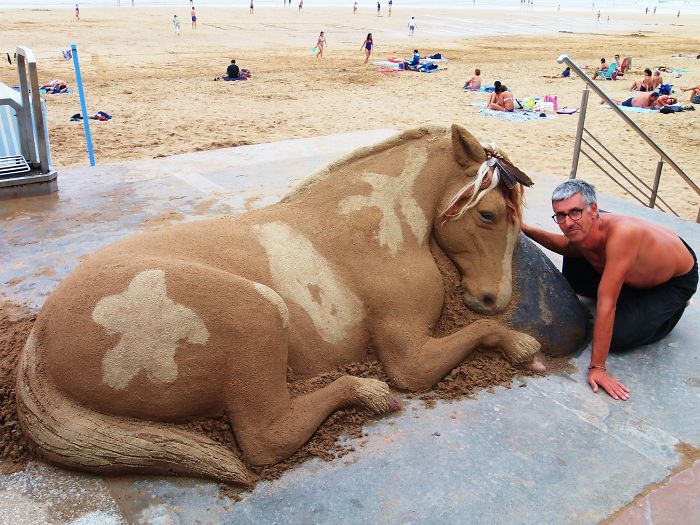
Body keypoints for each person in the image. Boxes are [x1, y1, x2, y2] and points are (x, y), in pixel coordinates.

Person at [521, 180, 697, 401]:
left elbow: (607, 303)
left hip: (672, 281)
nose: (567, 222)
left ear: (594, 209)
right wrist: (526, 229)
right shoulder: (582, 225)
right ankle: (623, 284)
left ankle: (676, 306)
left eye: (575, 212)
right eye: (561, 215)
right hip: (634, 262)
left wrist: (597, 368)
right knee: (576, 262)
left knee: (618, 337)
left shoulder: (622, 234)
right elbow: (567, 246)